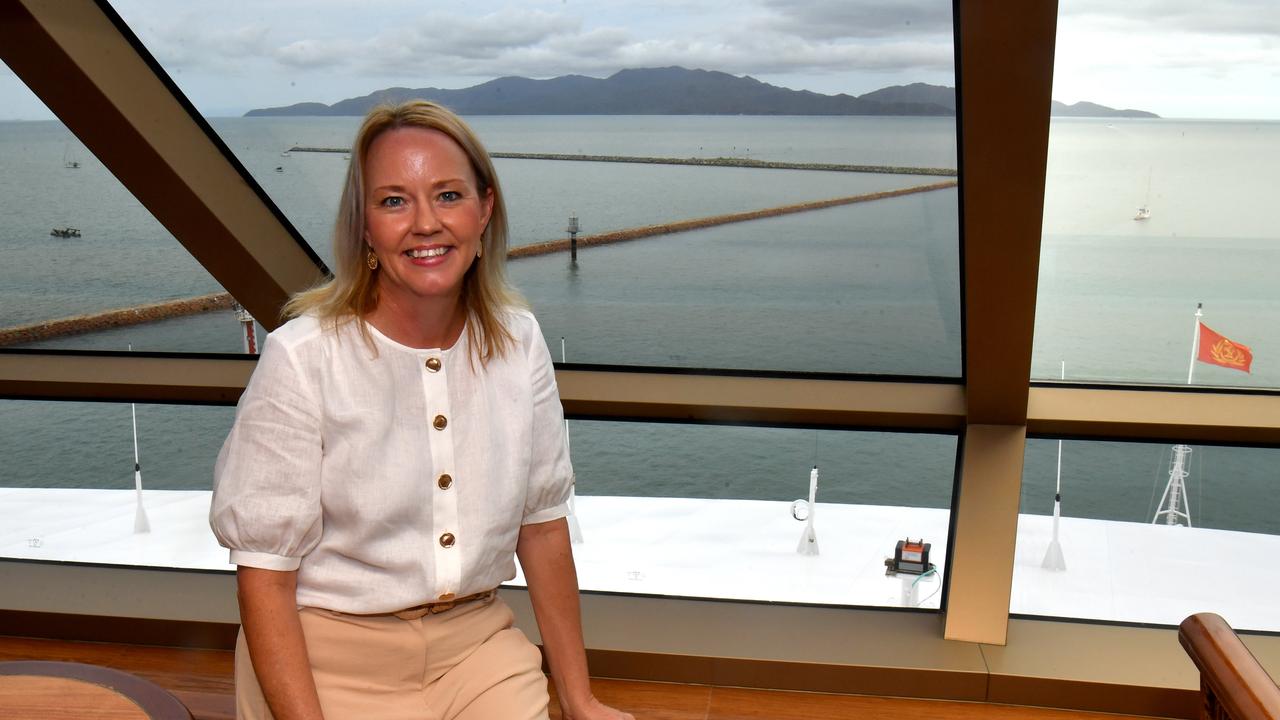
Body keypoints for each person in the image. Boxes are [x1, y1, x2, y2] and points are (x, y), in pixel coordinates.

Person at [211, 100, 633, 720]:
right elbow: (266, 577)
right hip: (327, 655)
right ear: (364, 227)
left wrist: (581, 699)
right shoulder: (302, 358)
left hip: (476, 647)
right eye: (393, 201)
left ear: (484, 210)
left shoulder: (520, 343)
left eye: (448, 195)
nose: (425, 223)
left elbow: (542, 526)